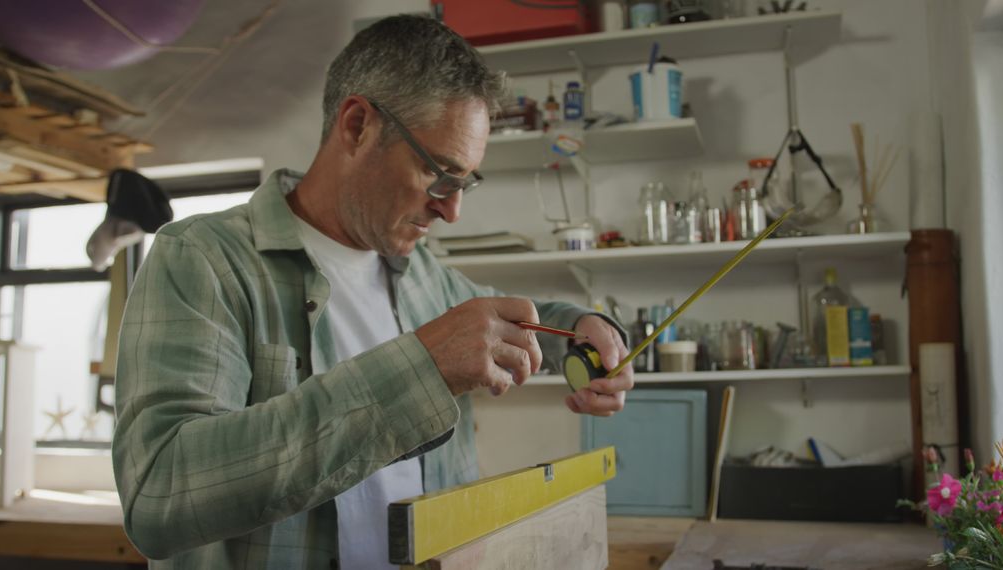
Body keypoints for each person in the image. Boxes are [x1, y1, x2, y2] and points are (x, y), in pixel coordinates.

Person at [112, 14, 634, 569]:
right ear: (358, 125)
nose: (452, 210)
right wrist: (423, 371)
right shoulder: (204, 259)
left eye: (465, 183)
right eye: (439, 173)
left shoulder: (426, 276)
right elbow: (157, 497)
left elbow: (533, 317)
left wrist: (582, 326)